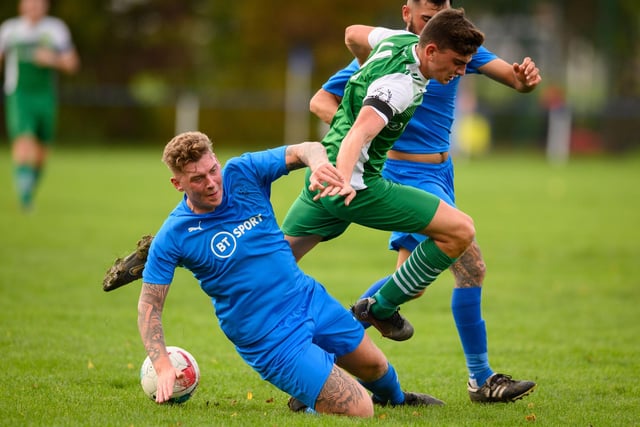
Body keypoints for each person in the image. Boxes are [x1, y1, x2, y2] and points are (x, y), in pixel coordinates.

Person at [309, 0, 540, 404]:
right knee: (470, 264)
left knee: (412, 285)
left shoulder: (455, 46)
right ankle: (481, 379)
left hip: (442, 172)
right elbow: (323, 102)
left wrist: (526, 80)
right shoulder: (391, 55)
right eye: (427, 18)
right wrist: (364, 135)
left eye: (444, 13)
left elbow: (514, 80)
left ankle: (322, 360)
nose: (437, 23)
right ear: (407, 15)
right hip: (406, 174)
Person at [134, 130, 444, 417]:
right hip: (269, 336)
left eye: (213, 169)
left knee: (376, 367)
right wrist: (162, 364)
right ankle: (312, 400)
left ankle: (398, 401)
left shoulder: (242, 172)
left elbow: (305, 149)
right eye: (198, 178)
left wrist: (320, 164)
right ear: (178, 184)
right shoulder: (174, 235)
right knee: (360, 409)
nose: (212, 182)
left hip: (307, 298)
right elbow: (149, 306)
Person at [0, 0, 79, 212]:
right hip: (19, 94)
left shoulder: (55, 29)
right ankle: (25, 200)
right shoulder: (9, 30)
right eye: (30, 3)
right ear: (21, 6)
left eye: (39, 4)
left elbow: (72, 64)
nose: (34, 7)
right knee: (24, 141)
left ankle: (28, 190)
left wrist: (52, 59)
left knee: (42, 150)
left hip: (45, 96)